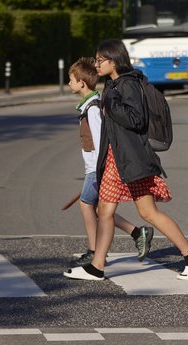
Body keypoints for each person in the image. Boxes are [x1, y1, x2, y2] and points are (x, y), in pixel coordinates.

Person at [64, 39, 188, 281]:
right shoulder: (113, 85)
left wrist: (111, 104)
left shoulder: (127, 85)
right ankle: (98, 266)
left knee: (143, 212)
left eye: (100, 60)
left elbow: (136, 120)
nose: (97, 64)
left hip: (129, 160)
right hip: (119, 159)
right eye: (96, 60)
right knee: (112, 211)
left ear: (114, 60)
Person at [66, 57, 154, 267]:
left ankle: (95, 251)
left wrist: (99, 170)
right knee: (99, 209)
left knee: (87, 204)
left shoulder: (93, 109)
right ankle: (136, 233)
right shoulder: (88, 106)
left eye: (71, 80)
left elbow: (101, 141)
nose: (68, 83)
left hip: (96, 168)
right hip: (94, 168)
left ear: (81, 83)